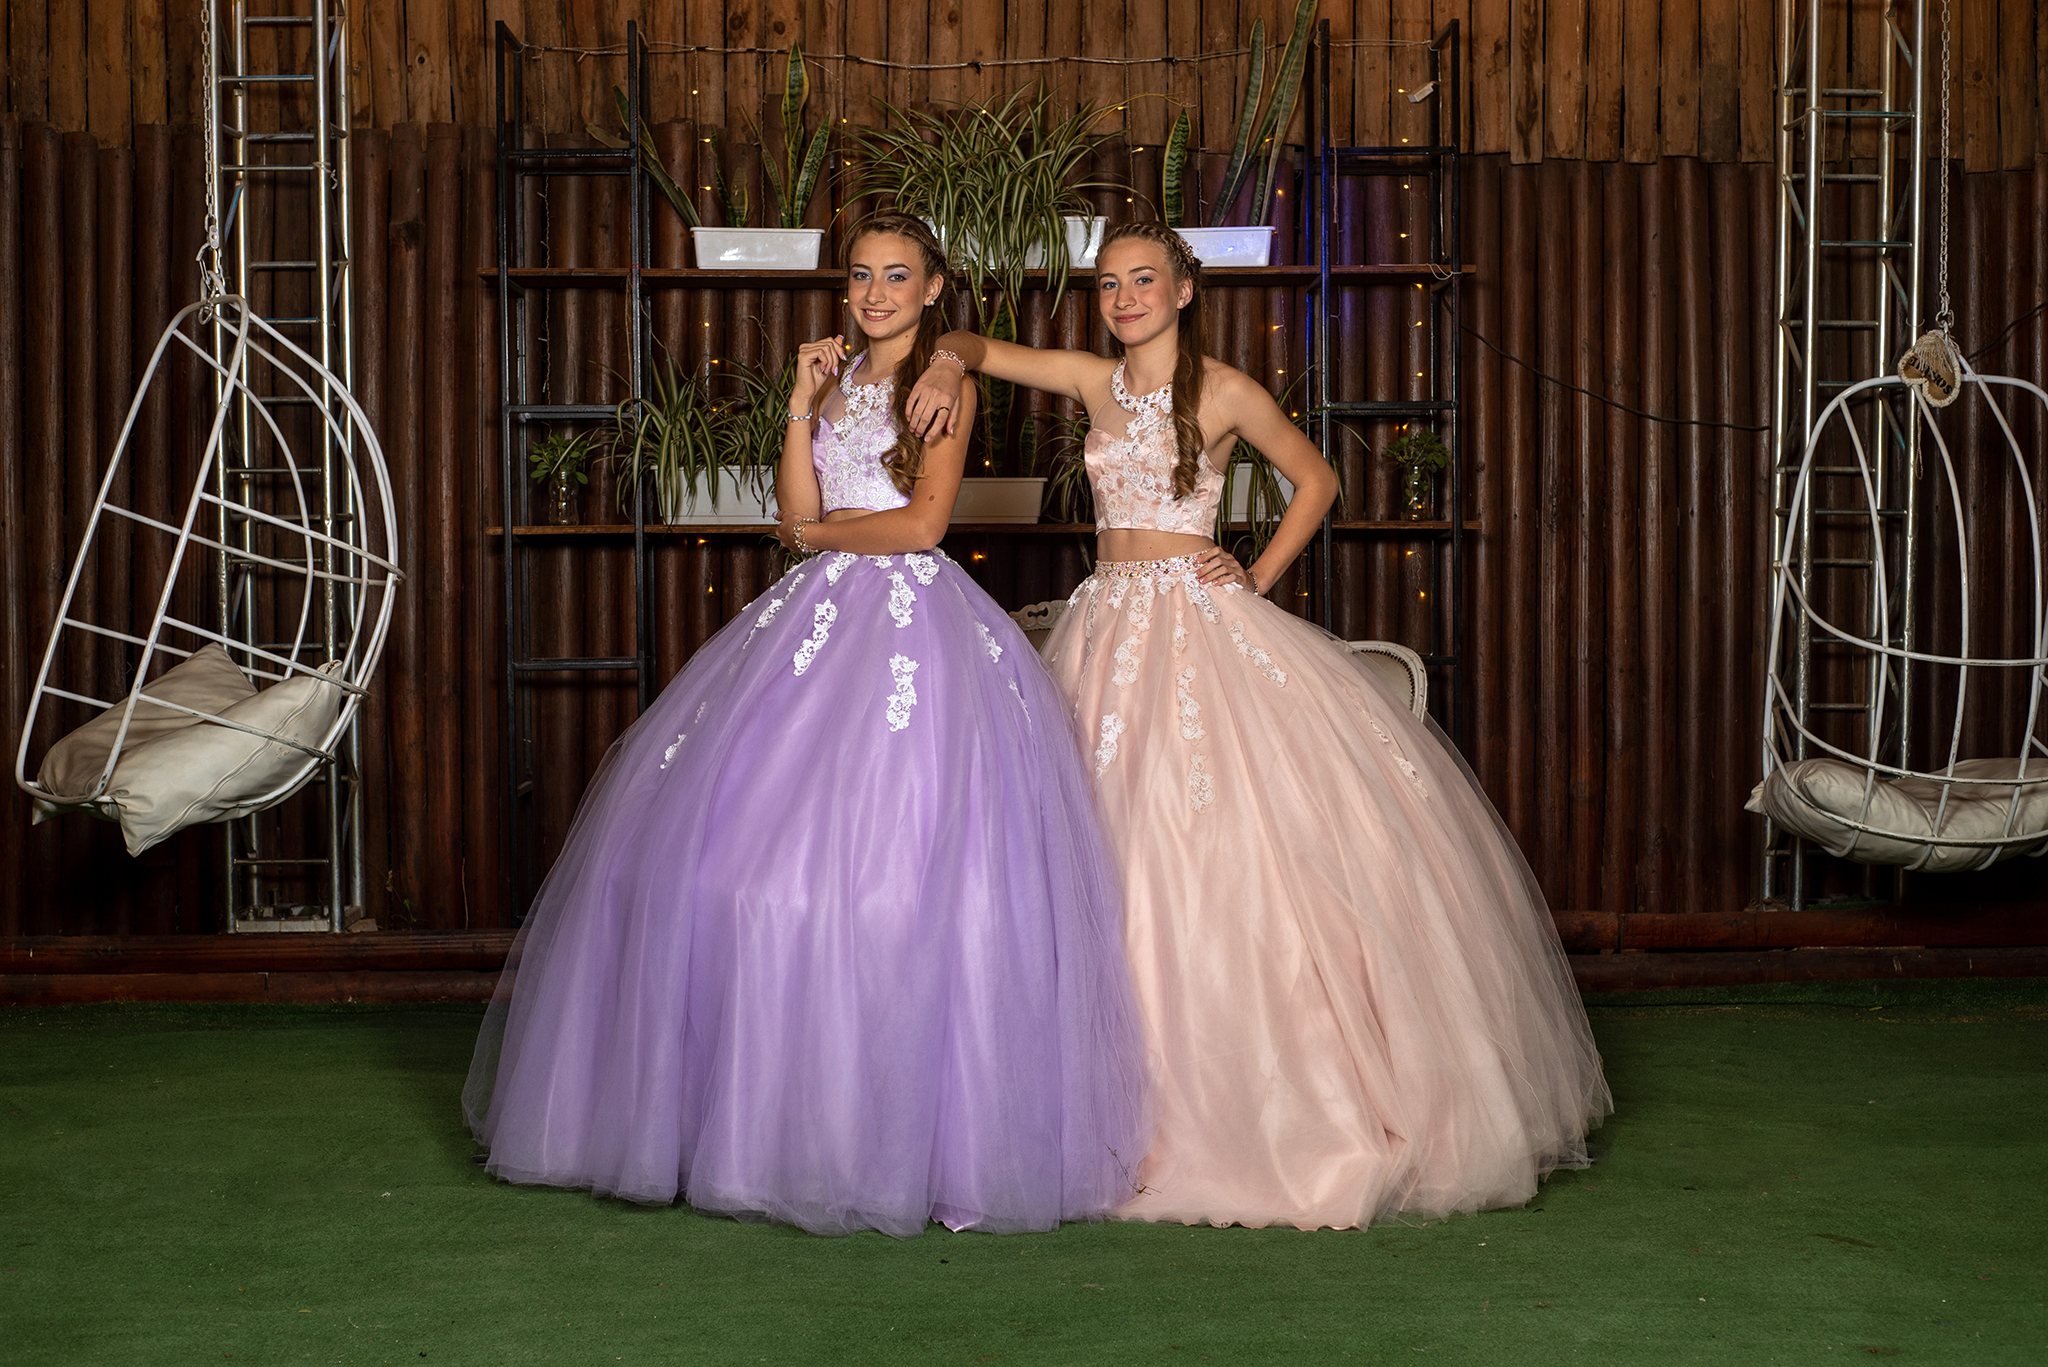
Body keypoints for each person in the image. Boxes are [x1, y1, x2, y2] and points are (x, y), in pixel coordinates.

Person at [904, 219, 1611, 1231]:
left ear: (1184, 289)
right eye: (1108, 285)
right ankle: (1100, 1105)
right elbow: (974, 346)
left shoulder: (1225, 391)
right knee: (1093, 846)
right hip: (1103, 628)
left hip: (1193, 629)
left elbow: (1316, 480)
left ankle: (1253, 1106)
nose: (1124, 300)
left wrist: (1256, 572)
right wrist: (941, 358)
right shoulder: (1093, 382)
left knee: (1200, 848)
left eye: (1143, 280)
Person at [463, 214, 1149, 1238]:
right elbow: (791, 508)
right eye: (861, 275)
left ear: (932, 288)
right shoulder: (830, 382)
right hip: (814, 614)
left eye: (897, 276)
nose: (875, 293)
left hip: (911, 624)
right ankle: (767, 1127)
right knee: (735, 864)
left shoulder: (943, 386)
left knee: (902, 874)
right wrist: (796, 406)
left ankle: (898, 1133)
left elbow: (922, 523)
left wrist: (821, 531)